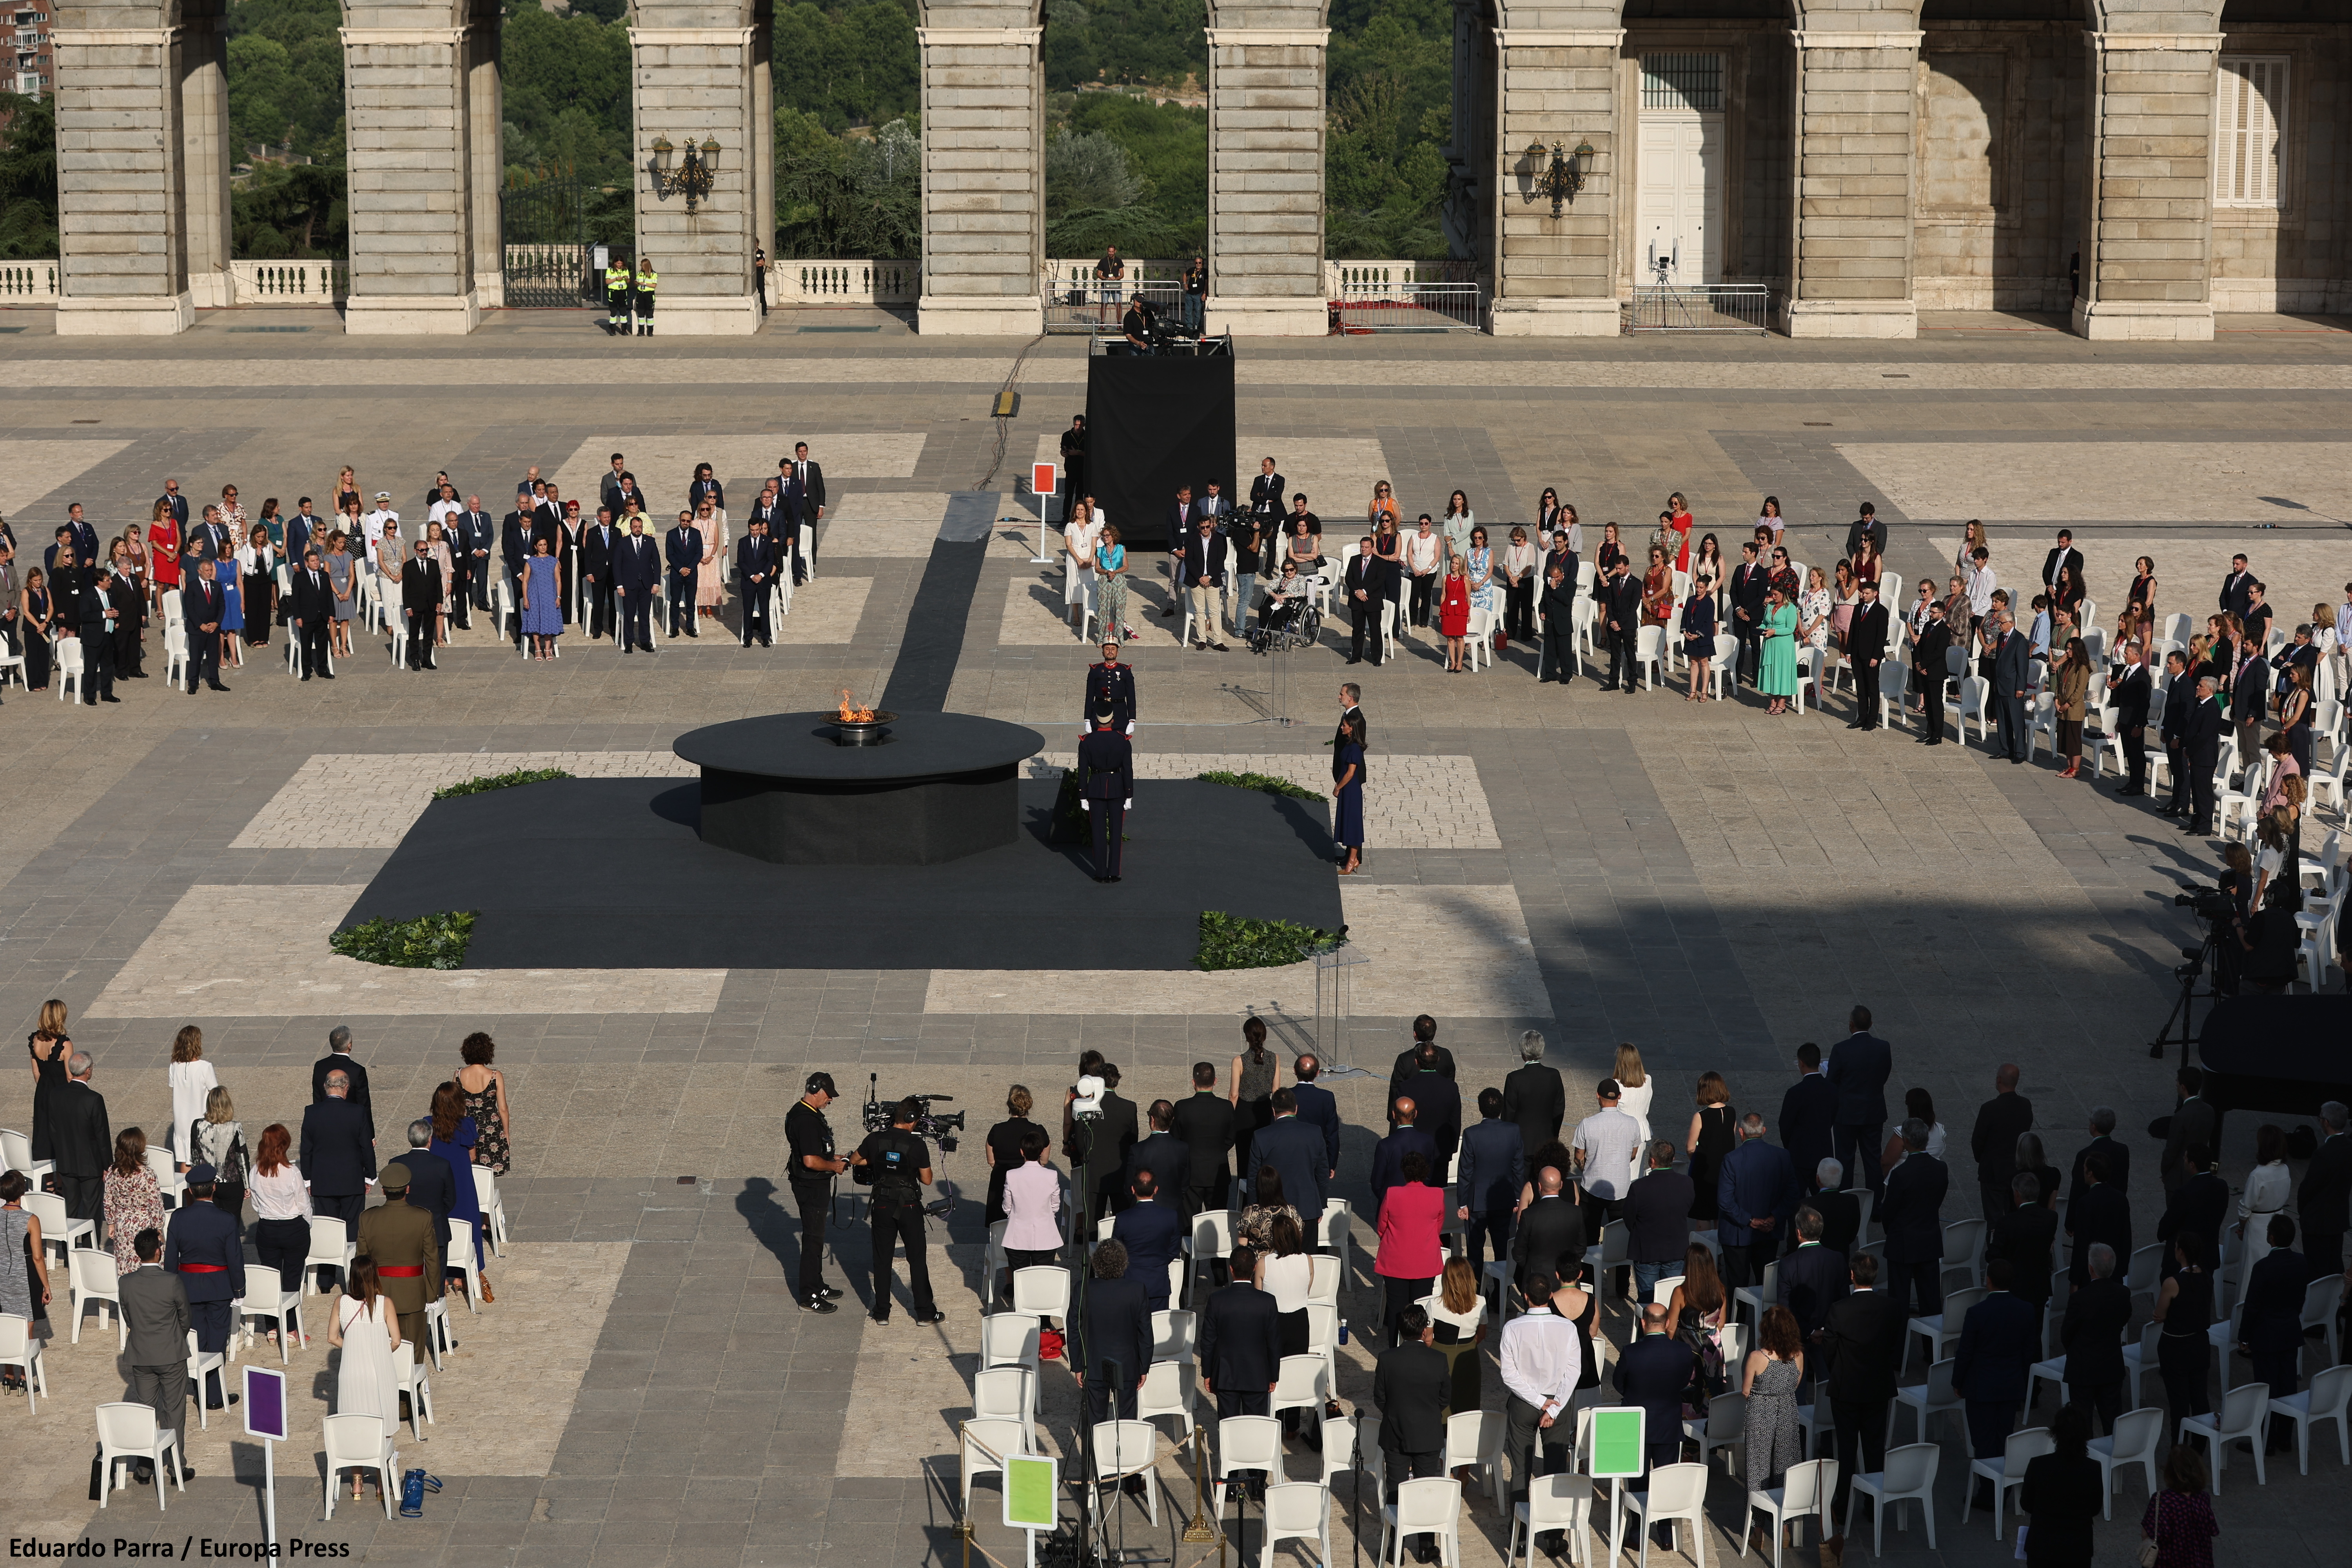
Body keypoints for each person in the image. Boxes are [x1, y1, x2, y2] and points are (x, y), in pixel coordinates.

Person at [1499, 1272, 1587, 1555]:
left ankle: (1521, 1539)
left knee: (1521, 1470)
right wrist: (1554, 1405)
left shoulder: (1512, 1328)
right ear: (1551, 1295)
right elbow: (1574, 1371)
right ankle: (1552, 1537)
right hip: (1557, 1404)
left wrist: (1539, 1401)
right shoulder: (1567, 1328)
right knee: (1555, 1469)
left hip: (1525, 1404)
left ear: (1526, 1296)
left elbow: (1509, 1375)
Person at [1816, 1254, 1898, 1558]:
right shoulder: (1890, 1307)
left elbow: (1830, 1349)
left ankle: (1842, 1503)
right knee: (1875, 1446)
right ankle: (1873, 1505)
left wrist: (1841, 1370)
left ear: (1852, 1275)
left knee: (1847, 1447)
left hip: (1847, 1388)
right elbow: (1894, 1343)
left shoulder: (1840, 1309)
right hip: (1877, 1386)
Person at [1955, 1258, 2038, 1504]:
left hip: (1982, 1387)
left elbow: (1965, 1352)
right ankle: (2003, 1490)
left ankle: (1988, 1494)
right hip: (2010, 1384)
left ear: (1988, 1280)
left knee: (1983, 1440)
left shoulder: (1977, 1313)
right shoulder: (2026, 1310)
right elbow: (2028, 1351)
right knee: (2004, 1437)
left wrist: (1958, 1381)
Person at [852, 1096, 942, 1325]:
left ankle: (882, 1313)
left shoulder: (874, 1139)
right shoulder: (917, 1145)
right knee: (917, 1259)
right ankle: (924, 1313)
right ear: (912, 1119)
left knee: (882, 1260)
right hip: (909, 1207)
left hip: (882, 1205)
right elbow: (928, 1180)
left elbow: (856, 1159)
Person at [1613, 1299, 1694, 1552]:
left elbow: (1619, 1382)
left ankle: (1637, 1534)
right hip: (1669, 1424)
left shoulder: (1631, 1352)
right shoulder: (1682, 1352)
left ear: (1643, 1322)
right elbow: (1684, 1382)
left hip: (1637, 1426)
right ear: (1668, 1323)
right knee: (1665, 1481)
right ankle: (1666, 1535)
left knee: (1637, 1482)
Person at [1374, 1303, 1451, 1563]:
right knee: (1426, 1490)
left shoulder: (1387, 1359)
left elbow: (1380, 1398)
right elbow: (1444, 1398)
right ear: (1423, 1329)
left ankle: (1394, 1547)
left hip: (1395, 1433)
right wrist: (1428, 1415)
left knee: (1395, 1489)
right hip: (1428, 1433)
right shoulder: (1438, 1359)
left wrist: (1397, 1414)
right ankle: (1426, 1546)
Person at [163, 1163, 243, 1407]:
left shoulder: (178, 1218)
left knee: (196, 1340)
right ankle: (215, 1395)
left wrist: (171, 1290)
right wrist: (239, 1290)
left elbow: (171, 1259)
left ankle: (200, 1392)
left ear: (190, 1191)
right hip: (219, 1287)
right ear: (214, 1188)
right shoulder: (226, 1219)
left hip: (187, 1286)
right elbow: (235, 1258)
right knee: (217, 1341)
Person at [118, 1229, 192, 1483]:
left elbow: (129, 1318)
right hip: (171, 1353)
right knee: (174, 1412)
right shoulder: (172, 1281)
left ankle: (144, 1469)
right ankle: (176, 1468)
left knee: (146, 1412)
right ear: (158, 1252)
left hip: (141, 1354)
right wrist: (174, 1338)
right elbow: (185, 1317)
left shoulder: (125, 1283)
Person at [330, 1256, 401, 1498]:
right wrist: (377, 1351)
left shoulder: (341, 1302)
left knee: (354, 1427)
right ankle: (382, 1481)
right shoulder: (386, 1304)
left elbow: (332, 1337)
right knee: (384, 1427)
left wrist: (352, 1347)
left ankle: (357, 1482)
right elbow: (396, 1341)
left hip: (352, 1373)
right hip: (380, 1372)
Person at [1740, 1306, 1807, 1557]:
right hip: (1788, 1412)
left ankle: (1757, 1531)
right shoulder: (1798, 1355)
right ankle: (1785, 1529)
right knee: (1785, 1467)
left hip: (1761, 1413)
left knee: (1758, 1469)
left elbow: (1746, 1390)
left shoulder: (1758, 1357)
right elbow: (1796, 1383)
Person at [357, 1158, 440, 1352]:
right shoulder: (423, 1217)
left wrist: (364, 1293)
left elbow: (361, 1260)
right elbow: (432, 1260)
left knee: (382, 1349)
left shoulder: (367, 1218)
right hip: (414, 1293)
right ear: (408, 1190)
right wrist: (431, 1293)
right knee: (414, 1351)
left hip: (378, 1292)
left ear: (383, 1191)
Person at [2241, 1214, 2307, 1450]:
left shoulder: (2264, 1267)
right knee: (2288, 1386)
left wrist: (2243, 1336)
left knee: (2267, 1388)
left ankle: (2266, 1441)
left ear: (2271, 1237)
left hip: (2266, 1335)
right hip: (2290, 1331)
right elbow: (2301, 1298)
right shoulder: (2301, 1262)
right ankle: (2284, 1438)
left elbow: (2252, 1306)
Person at [790, 1083, 859, 1309]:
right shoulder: (807, 1121)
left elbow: (812, 1152)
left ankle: (817, 1284)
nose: (831, 1099)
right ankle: (808, 1296)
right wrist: (834, 1166)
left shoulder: (804, 1113)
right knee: (812, 1241)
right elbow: (810, 1161)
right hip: (811, 1188)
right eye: (829, 1095)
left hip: (812, 1184)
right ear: (815, 1091)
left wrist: (834, 1158)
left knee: (817, 1239)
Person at [1198, 1250, 1283, 1423]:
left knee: (1229, 1429)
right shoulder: (1267, 1301)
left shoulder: (1217, 1300)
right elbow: (1274, 1343)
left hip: (1225, 1376)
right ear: (1254, 1268)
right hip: (1258, 1375)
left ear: (1231, 1269)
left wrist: (1208, 1373)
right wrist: (1273, 1375)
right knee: (1257, 1427)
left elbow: (1208, 1341)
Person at [2018, 1401, 2103, 1568]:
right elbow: (2095, 1508)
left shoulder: (2038, 1465)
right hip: (2077, 1548)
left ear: (2056, 1434)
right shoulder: (2093, 1469)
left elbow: (2026, 1503)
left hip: (2042, 1546)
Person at [1077, 1240, 1151, 1430]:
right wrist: (1144, 1367)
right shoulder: (1137, 1290)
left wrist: (1078, 1365)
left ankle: (1097, 1460)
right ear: (1124, 1263)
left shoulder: (1083, 1288)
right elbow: (1145, 1333)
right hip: (1127, 1365)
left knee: (1096, 1423)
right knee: (1127, 1422)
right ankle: (1126, 1459)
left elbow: (1075, 1328)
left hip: (1093, 1365)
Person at [1718, 1112, 1798, 1288]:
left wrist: (1750, 1220)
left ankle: (1738, 1317)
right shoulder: (1782, 1156)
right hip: (1769, 1232)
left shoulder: (1732, 1159)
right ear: (1763, 1130)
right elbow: (1793, 1194)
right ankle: (1767, 1316)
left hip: (1738, 1235)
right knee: (1766, 1285)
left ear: (1741, 1132)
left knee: (1738, 1286)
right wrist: (1774, 1218)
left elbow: (1725, 1201)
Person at [1879, 1117, 1947, 1320]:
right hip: (1929, 1241)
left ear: (1906, 1141)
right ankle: (1931, 1349)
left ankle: (1899, 1348)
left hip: (1903, 1242)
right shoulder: (1940, 1168)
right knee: (1931, 1301)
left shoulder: (1900, 1174)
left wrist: (1892, 1230)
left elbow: (1889, 1211)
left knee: (1899, 1300)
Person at [2062, 1241, 2132, 1432]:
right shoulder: (2123, 1293)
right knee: (2112, 1422)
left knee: (2082, 1425)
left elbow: (2066, 1334)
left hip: (2083, 1368)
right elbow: (2125, 1317)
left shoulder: (2080, 1299)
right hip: (2111, 1365)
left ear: (2091, 1268)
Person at [1376, 1151, 1444, 1348]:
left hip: (1396, 1261)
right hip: (1425, 1262)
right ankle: (1420, 1350)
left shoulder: (1392, 1193)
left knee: (1396, 1309)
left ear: (1405, 1173)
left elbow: (1382, 1226)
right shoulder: (1437, 1194)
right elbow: (1438, 1226)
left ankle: (1395, 1350)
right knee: (1421, 1309)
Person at [1455, 1089, 1524, 1273]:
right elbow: (1518, 1168)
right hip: (1504, 1199)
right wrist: (1518, 1198)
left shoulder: (1472, 1134)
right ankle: (1501, 1294)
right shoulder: (1514, 1131)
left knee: (1475, 1251)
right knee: (1503, 1249)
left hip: (1476, 1202)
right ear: (1501, 1108)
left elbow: (1465, 1171)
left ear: (1480, 1109)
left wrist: (1462, 1203)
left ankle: (1477, 1291)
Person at [246, 1123, 310, 1303]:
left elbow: (256, 1204)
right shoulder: (292, 1172)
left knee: (271, 1277)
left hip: (267, 1228)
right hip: (293, 1228)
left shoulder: (255, 1171)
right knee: (292, 1277)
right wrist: (307, 1226)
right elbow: (304, 1205)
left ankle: (272, 1326)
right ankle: (290, 1327)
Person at [1626, 1140, 1694, 1303]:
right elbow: (1688, 1209)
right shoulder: (1687, 1183)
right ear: (1673, 1159)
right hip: (1676, 1251)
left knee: (1648, 1301)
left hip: (1647, 1252)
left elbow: (1629, 1220)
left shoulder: (1639, 1187)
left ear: (1652, 1161)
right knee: (1672, 1301)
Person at [1075, 707, 1133, 884]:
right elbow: (1128, 770)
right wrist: (1129, 795)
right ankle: (1114, 872)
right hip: (1117, 788)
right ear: (1113, 720)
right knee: (1116, 832)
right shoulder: (1123, 741)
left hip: (1096, 788)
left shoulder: (1086, 741)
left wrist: (1083, 796)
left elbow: (1083, 771)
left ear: (1096, 721)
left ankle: (1101, 873)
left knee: (1098, 833)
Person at [1112, 1168, 1182, 1314]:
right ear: (1156, 1190)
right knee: (1157, 1328)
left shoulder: (1123, 1218)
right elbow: (1173, 1250)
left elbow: (1116, 1252)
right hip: (1159, 1283)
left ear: (1133, 1189)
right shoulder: (1170, 1217)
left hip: (1130, 1283)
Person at [1426, 1254, 1487, 1419]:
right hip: (1469, 1357)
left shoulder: (1434, 1305)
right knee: (1468, 1402)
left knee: (1441, 1404)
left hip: (1440, 1356)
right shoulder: (1481, 1302)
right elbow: (1481, 1334)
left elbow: (1429, 1339)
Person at [1172, 1063, 1236, 1217]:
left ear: (1194, 1082)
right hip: (1218, 1173)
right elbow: (1231, 1139)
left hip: (1191, 1173)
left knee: (1189, 1223)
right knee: (1217, 1221)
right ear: (1215, 1081)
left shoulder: (1182, 1107)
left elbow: (1175, 1138)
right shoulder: (1227, 1107)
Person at [2142, 1446, 2220, 1568]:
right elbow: (2212, 1529)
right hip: (2199, 1562)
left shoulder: (2161, 1500)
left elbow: (2146, 1534)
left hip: (2168, 1562)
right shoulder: (2203, 1498)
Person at [1992, 1172, 2058, 1314]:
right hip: (2039, 1287)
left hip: (2014, 1288)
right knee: (2035, 1331)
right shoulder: (2051, 1218)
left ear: (2017, 1194)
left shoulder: (2007, 1222)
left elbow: (1995, 1255)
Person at [1512, 1165, 1586, 1293]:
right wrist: (1567, 1268)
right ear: (1561, 1185)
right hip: (1567, 1281)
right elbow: (1581, 1247)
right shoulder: (1576, 1212)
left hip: (1537, 1282)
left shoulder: (1529, 1215)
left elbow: (1518, 1252)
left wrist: (1532, 1266)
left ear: (1539, 1187)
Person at [103, 1127, 165, 1276]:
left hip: (123, 1226)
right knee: (148, 1266)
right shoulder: (148, 1175)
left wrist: (111, 1223)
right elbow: (156, 1205)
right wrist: (159, 1229)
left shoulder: (113, 1171)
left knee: (126, 1267)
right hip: (145, 1226)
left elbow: (108, 1200)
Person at [165, 1025, 219, 1171]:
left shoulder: (174, 1066)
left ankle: (186, 1193)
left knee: (185, 1161)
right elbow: (215, 1092)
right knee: (203, 1161)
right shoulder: (205, 1067)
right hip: (200, 1120)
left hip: (181, 1121)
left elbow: (173, 1086)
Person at [190, 1087, 247, 1221]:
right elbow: (242, 1157)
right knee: (231, 1223)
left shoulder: (197, 1125)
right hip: (231, 1181)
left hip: (206, 1181)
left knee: (209, 1222)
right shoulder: (235, 1127)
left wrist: (195, 1182)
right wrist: (247, 1185)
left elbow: (194, 1157)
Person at [1599, 552, 1641, 692]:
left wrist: (1620, 623)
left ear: (1627, 567)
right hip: (1614, 624)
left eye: (1620, 568)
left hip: (1627, 625)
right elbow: (1609, 603)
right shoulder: (1614, 581)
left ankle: (1632, 682)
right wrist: (1613, 621)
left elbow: (1633, 607)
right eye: (1616, 568)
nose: (1618, 571)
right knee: (1615, 655)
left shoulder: (1636, 584)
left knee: (1630, 654)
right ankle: (1614, 681)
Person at [1332, 713, 1365, 874]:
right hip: (1347, 790)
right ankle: (1353, 859)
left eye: (1344, 725)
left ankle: (1352, 862)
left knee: (1353, 825)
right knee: (1349, 822)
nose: (1342, 728)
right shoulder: (1349, 744)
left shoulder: (1355, 748)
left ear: (1351, 728)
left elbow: (1351, 773)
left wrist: (1338, 787)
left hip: (1351, 790)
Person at [1757, 582, 1797, 713]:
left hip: (1783, 644)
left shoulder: (1790, 608)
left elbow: (1790, 629)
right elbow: (1765, 623)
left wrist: (1775, 632)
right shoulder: (1770, 606)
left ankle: (1782, 703)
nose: (1773, 597)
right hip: (1770, 643)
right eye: (1772, 594)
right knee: (1771, 672)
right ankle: (1773, 701)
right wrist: (1760, 628)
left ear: (1783, 594)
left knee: (1782, 672)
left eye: (1776, 594)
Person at [1437, 553, 1470, 672]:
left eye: (1457, 563)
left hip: (1461, 610)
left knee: (1460, 637)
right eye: (1453, 563)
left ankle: (1460, 662)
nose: (1454, 565)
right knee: (1450, 637)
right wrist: (1441, 612)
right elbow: (1443, 596)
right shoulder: (1446, 578)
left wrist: (1468, 613)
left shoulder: (1465, 578)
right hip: (1449, 609)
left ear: (1460, 565)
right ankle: (1453, 662)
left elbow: (1468, 597)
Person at [632, 254, 657, 335]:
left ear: (646, 266)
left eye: (642, 266)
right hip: (640, 294)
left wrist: (645, 284)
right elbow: (637, 284)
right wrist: (636, 283)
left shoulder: (653, 274)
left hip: (649, 295)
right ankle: (641, 331)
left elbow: (654, 286)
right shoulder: (639, 273)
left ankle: (650, 331)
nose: (641, 267)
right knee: (641, 314)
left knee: (650, 314)